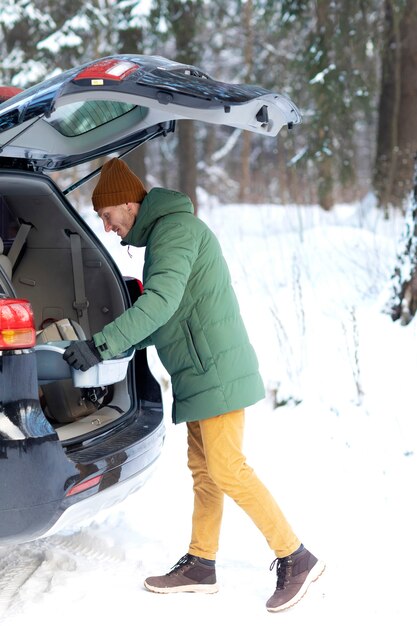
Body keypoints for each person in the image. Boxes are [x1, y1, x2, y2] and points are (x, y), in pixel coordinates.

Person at [63, 157, 325, 612]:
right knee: (205, 473)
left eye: (107, 216)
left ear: (128, 204)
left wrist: (103, 345)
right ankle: (201, 564)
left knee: (227, 469)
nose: (106, 227)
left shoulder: (175, 233)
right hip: (199, 373)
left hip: (216, 372)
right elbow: (166, 317)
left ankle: (296, 557)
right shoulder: (165, 237)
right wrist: (107, 348)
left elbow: (161, 302)